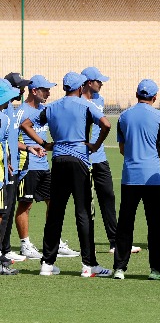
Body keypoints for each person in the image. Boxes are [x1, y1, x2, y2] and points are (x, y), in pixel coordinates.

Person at [21, 71, 112, 278]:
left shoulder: (52, 107)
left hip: (59, 160)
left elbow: (25, 124)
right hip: (80, 160)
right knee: (84, 212)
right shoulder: (86, 105)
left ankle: (47, 263)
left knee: (55, 212)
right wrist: (95, 145)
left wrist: (45, 143)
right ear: (80, 88)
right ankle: (89, 265)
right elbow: (106, 124)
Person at [113, 79, 160, 280]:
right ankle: (157, 269)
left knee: (125, 224)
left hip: (129, 176)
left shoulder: (124, 116)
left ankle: (119, 268)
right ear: (154, 97)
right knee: (155, 225)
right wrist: (159, 164)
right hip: (152, 178)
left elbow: (122, 148)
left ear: (136, 94)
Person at [15, 75, 80, 259]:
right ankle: (25, 244)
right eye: (45, 89)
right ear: (34, 91)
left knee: (53, 203)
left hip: (44, 165)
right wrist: (36, 145)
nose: (49, 93)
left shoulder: (46, 109)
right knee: (25, 205)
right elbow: (11, 139)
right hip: (27, 165)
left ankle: (54, 241)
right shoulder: (21, 111)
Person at [81, 67, 139, 255]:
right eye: (99, 81)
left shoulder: (100, 99)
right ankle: (87, 245)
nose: (102, 84)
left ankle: (115, 242)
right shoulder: (78, 102)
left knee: (108, 197)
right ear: (89, 82)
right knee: (86, 204)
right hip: (83, 159)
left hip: (100, 158)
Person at [0, 73, 31, 265]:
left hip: (9, 165)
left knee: (8, 209)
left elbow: (9, 140)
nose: (21, 91)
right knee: (3, 211)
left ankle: (6, 248)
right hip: (3, 167)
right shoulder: (4, 111)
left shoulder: (9, 108)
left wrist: (25, 148)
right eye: (18, 87)